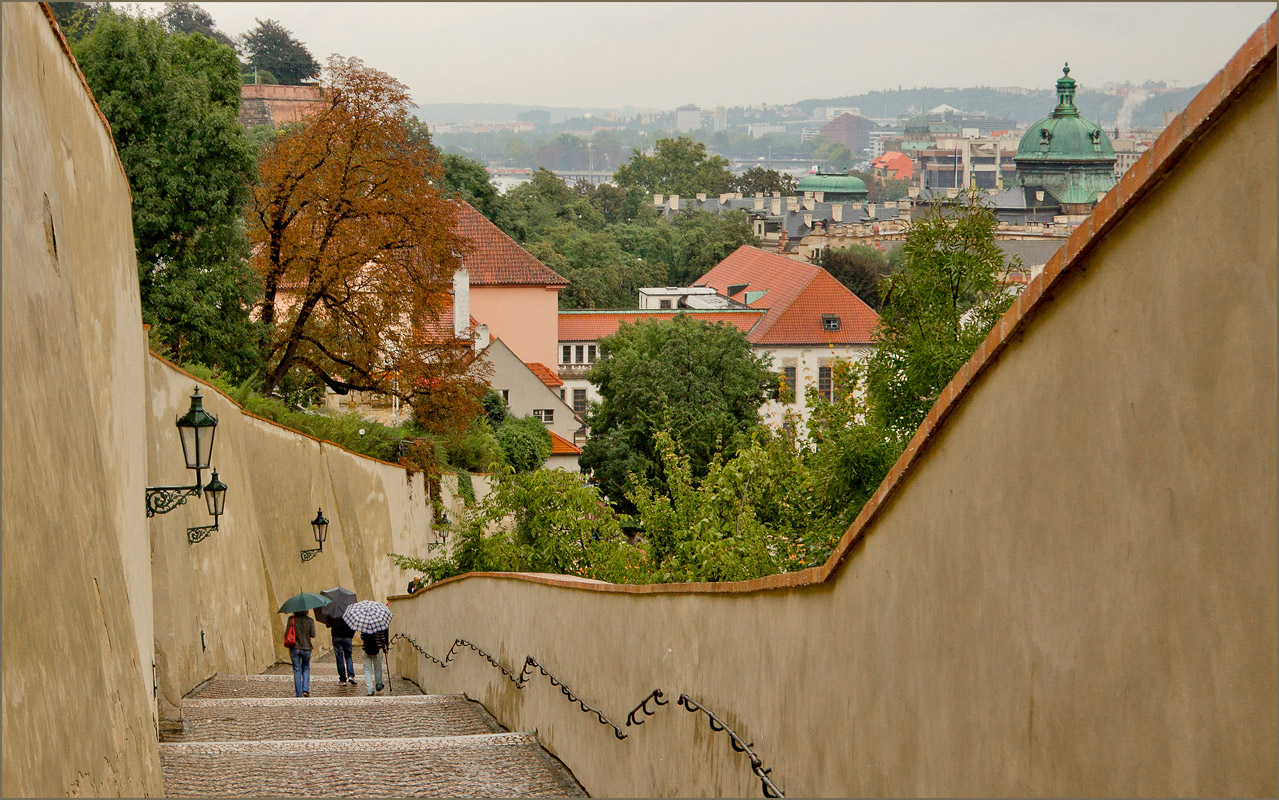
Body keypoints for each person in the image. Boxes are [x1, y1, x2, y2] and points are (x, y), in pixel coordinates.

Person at [288, 610, 316, 698]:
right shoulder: (310, 620)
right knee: (306, 668)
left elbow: (286, 633)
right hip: (307, 648)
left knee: (297, 670)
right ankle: (305, 689)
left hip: (295, 648)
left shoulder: (291, 619)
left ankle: (298, 694)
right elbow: (313, 634)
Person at [330, 615, 357, 686]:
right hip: (347, 636)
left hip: (336, 636)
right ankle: (351, 675)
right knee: (348, 656)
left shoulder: (334, 612)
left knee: (339, 657)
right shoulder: (350, 613)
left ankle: (342, 679)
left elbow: (328, 624)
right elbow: (354, 625)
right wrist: (351, 635)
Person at [361, 627, 389, 696]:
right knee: (378, 668)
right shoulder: (379, 624)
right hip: (378, 648)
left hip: (366, 649)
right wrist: (384, 648)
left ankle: (369, 690)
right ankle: (378, 684)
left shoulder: (365, 624)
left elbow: (362, 637)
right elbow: (382, 638)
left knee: (367, 670)